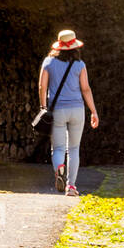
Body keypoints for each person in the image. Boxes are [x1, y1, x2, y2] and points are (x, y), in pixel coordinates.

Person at [38, 29, 98, 196]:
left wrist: (43, 107)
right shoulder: (80, 65)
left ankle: (59, 168)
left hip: (57, 110)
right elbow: (85, 89)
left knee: (57, 148)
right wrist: (93, 111)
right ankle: (71, 186)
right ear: (75, 47)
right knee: (74, 148)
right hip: (77, 110)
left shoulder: (48, 62)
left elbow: (42, 86)